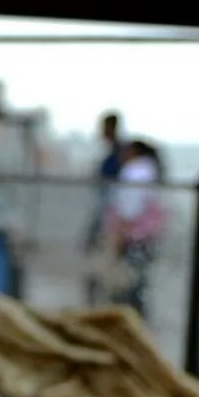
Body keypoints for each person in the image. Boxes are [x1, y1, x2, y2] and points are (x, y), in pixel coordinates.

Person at [105, 137, 170, 317]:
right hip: (147, 235)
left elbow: (130, 207)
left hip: (135, 235)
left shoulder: (135, 172)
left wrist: (121, 233)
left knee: (130, 282)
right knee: (139, 280)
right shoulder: (149, 170)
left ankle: (130, 320)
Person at [86, 110, 125, 301]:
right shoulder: (113, 153)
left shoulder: (119, 155)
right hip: (107, 216)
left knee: (108, 269)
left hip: (112, 220)